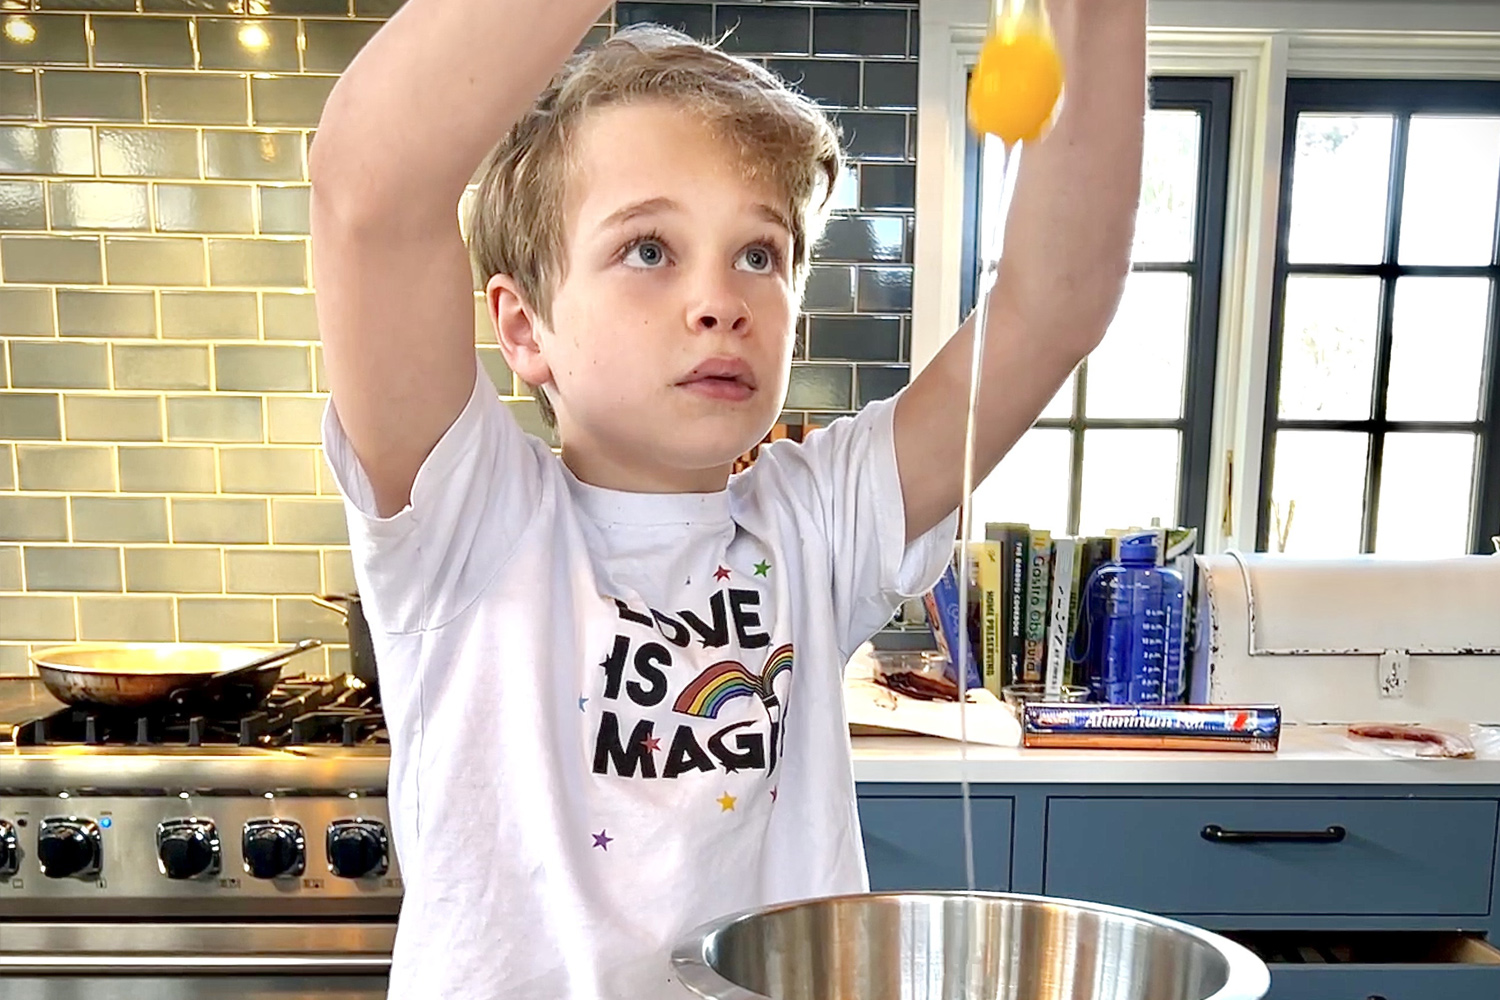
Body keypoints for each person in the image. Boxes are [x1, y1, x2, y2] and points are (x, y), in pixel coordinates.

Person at [310, 0, 1144, 996]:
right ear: (524, 327)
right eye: (649, 250)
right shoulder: (467, 519)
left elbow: (1055, 303)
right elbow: (369, 188)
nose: (721, 299)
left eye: (760, 252)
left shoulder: (813, 521)